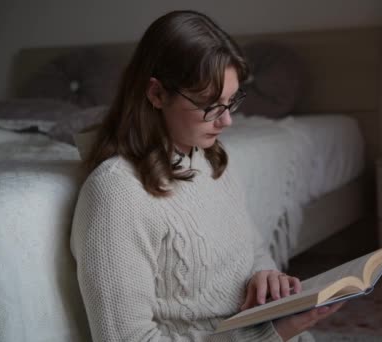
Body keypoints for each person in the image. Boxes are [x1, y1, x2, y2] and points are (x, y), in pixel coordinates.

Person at [70, 10, 343, 342]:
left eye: (231, 101)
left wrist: (265, 276)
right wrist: (269, 332)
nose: (226, 121)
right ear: (156, 94)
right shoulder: (116, 193)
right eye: (210, 105)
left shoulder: (211, 162)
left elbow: (252, 250)